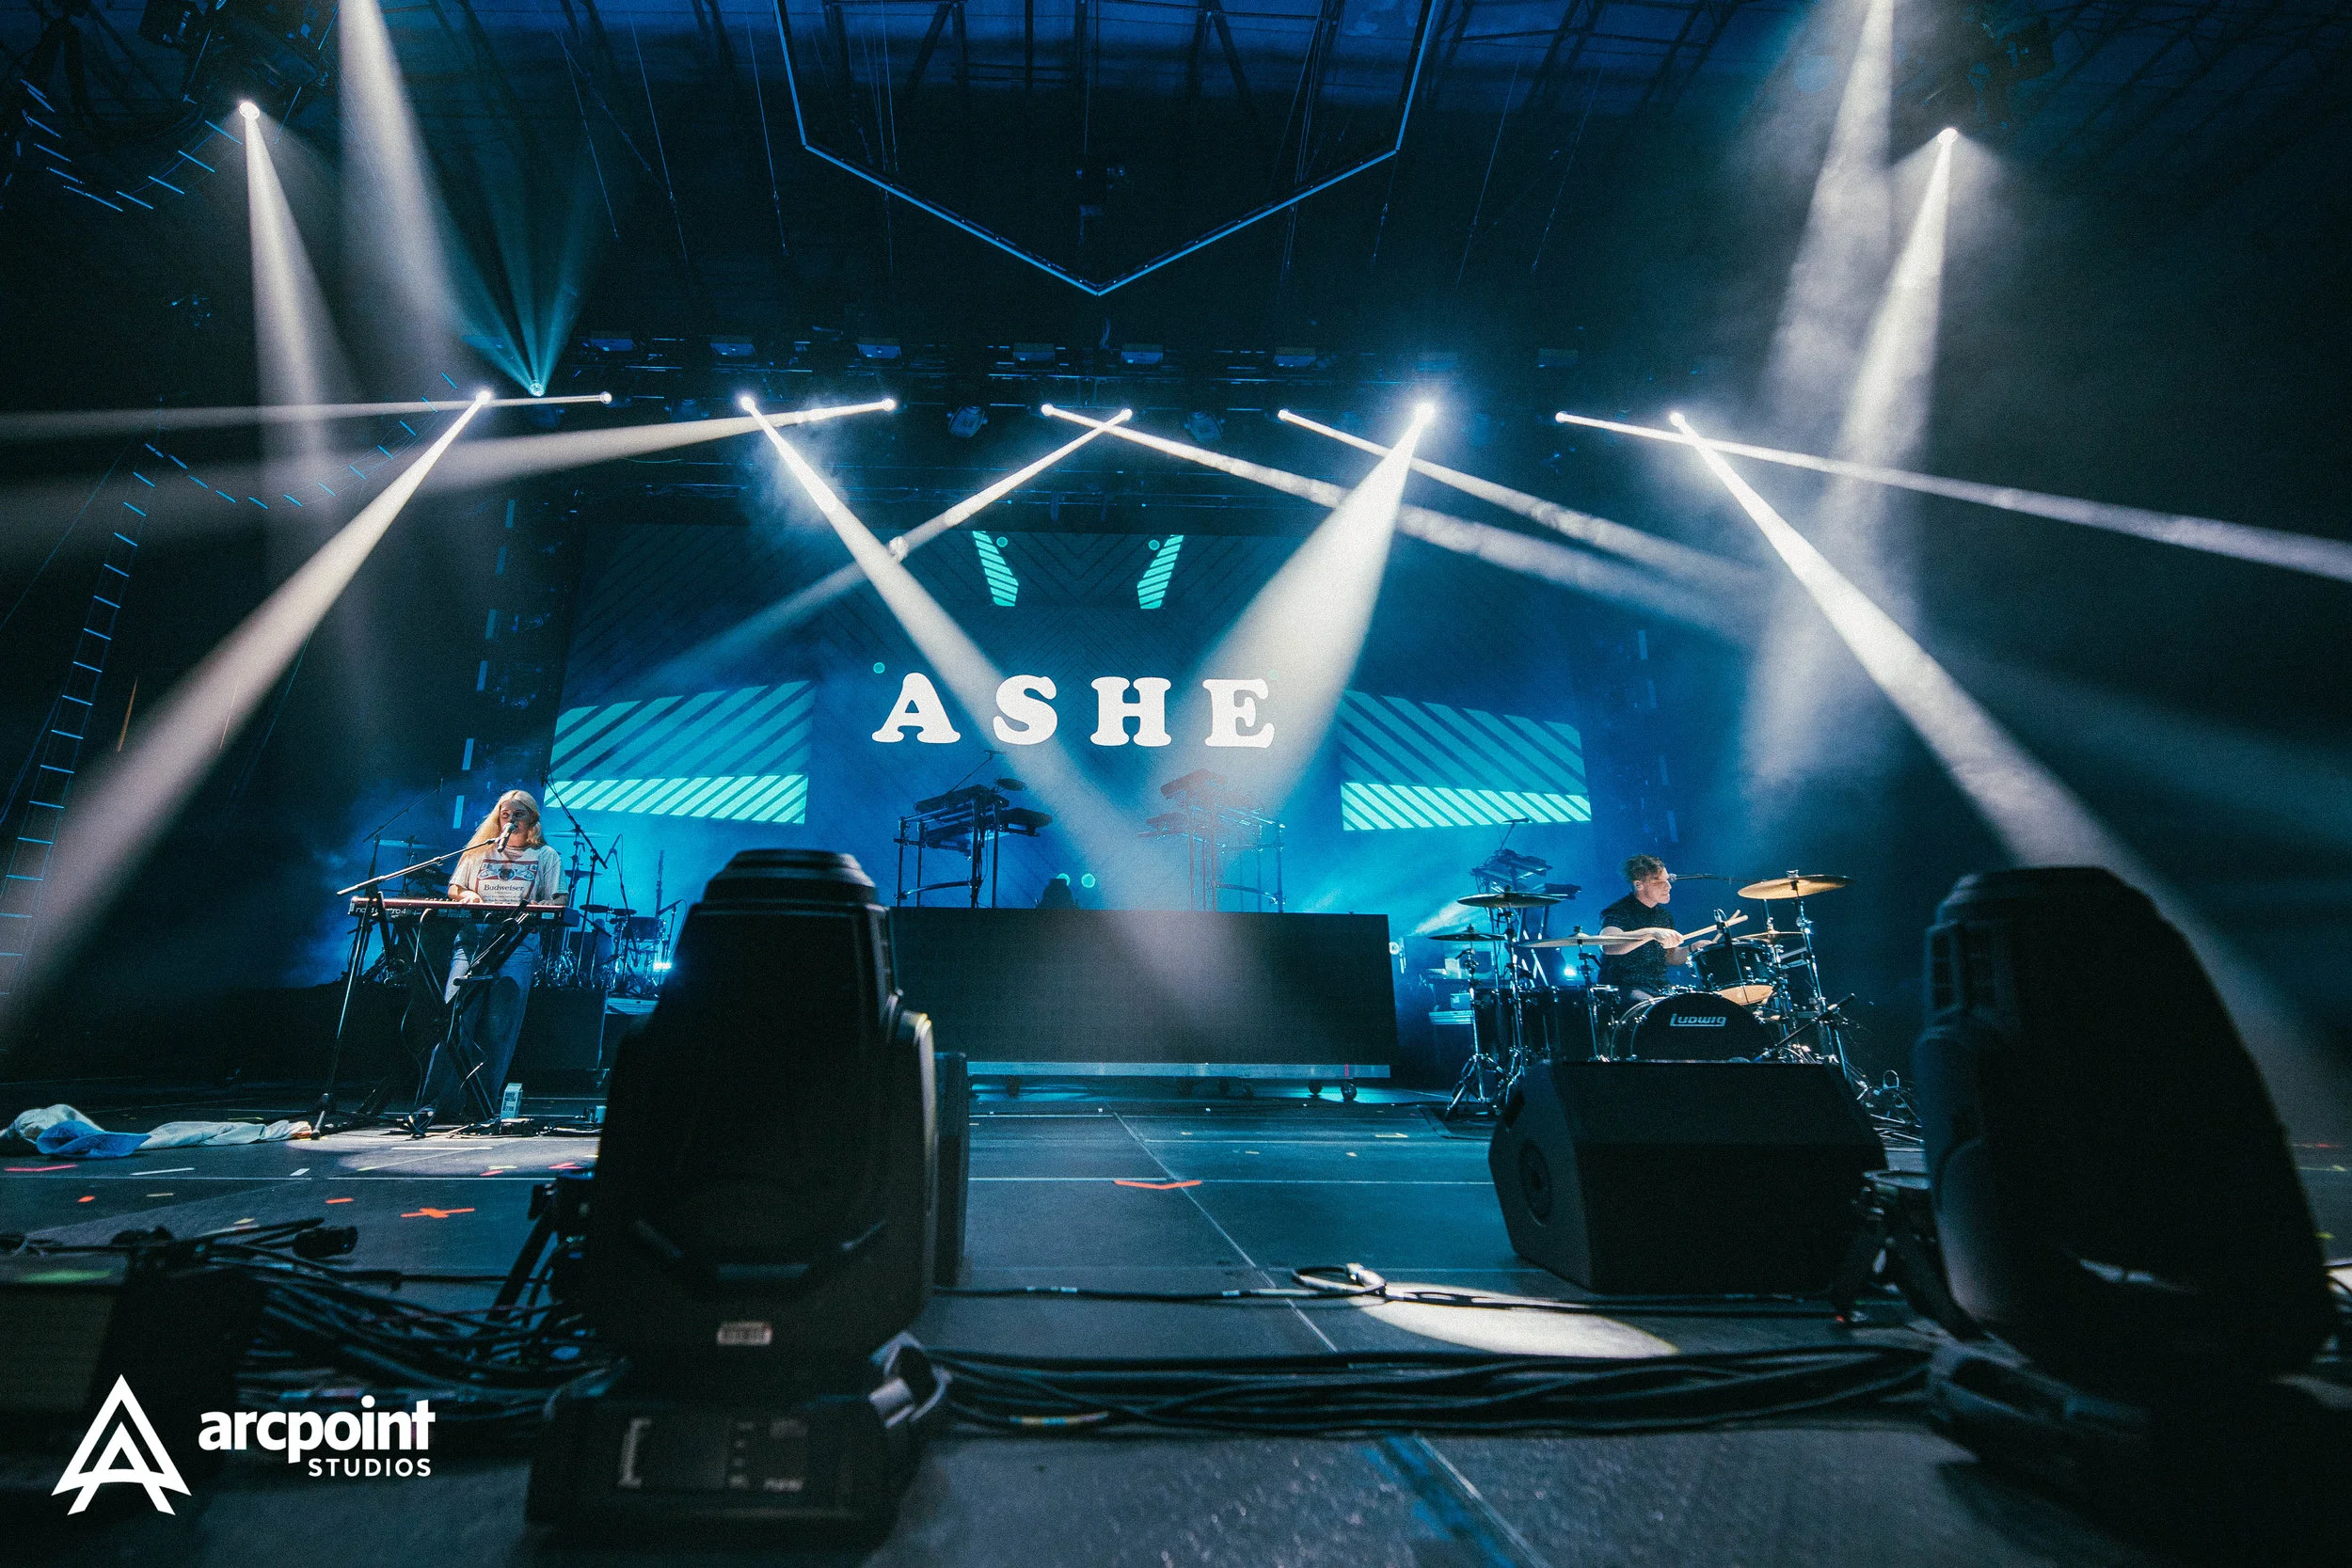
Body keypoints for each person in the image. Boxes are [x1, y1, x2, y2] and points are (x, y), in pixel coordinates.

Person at [411, 790, 565, 1128]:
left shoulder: (546, 856)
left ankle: (480, 1105)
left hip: (517, 944)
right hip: (474, 939)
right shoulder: (478, 851)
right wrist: (467, 893)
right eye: (505, 814)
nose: (511, 821)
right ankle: (434, 1104)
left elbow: (558, 899)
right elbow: (455, 888)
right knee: (456, 1018)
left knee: (499, 1025)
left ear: (533, 820)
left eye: (518, 815)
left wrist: (541, 906)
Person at [1596, 854, 1686, 1006]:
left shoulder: (1664, 916)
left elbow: (1670, 956)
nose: (1668, 886)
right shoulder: (1618, 912)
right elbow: (1609, 945)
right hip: (1624, 989)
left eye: (1667, 880)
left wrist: (1694, 949)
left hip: (1659, 988)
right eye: (1659, 882)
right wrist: (1651, 933)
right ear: (1639, 885)